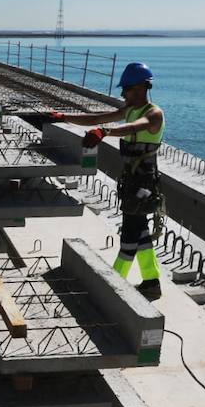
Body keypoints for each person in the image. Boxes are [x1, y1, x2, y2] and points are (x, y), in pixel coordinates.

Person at [51, 62, 166, 300]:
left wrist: (106, 132)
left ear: (143, 87)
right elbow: (98, 118)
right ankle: (152, 282)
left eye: (127, 89)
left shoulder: (153, 114)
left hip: (143, 183)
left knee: (130, 234)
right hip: (133, 180)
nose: (123, 94)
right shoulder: (130, 109)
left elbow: (136, 127)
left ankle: (115, 283)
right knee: (140, 230)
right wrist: (65, 117)